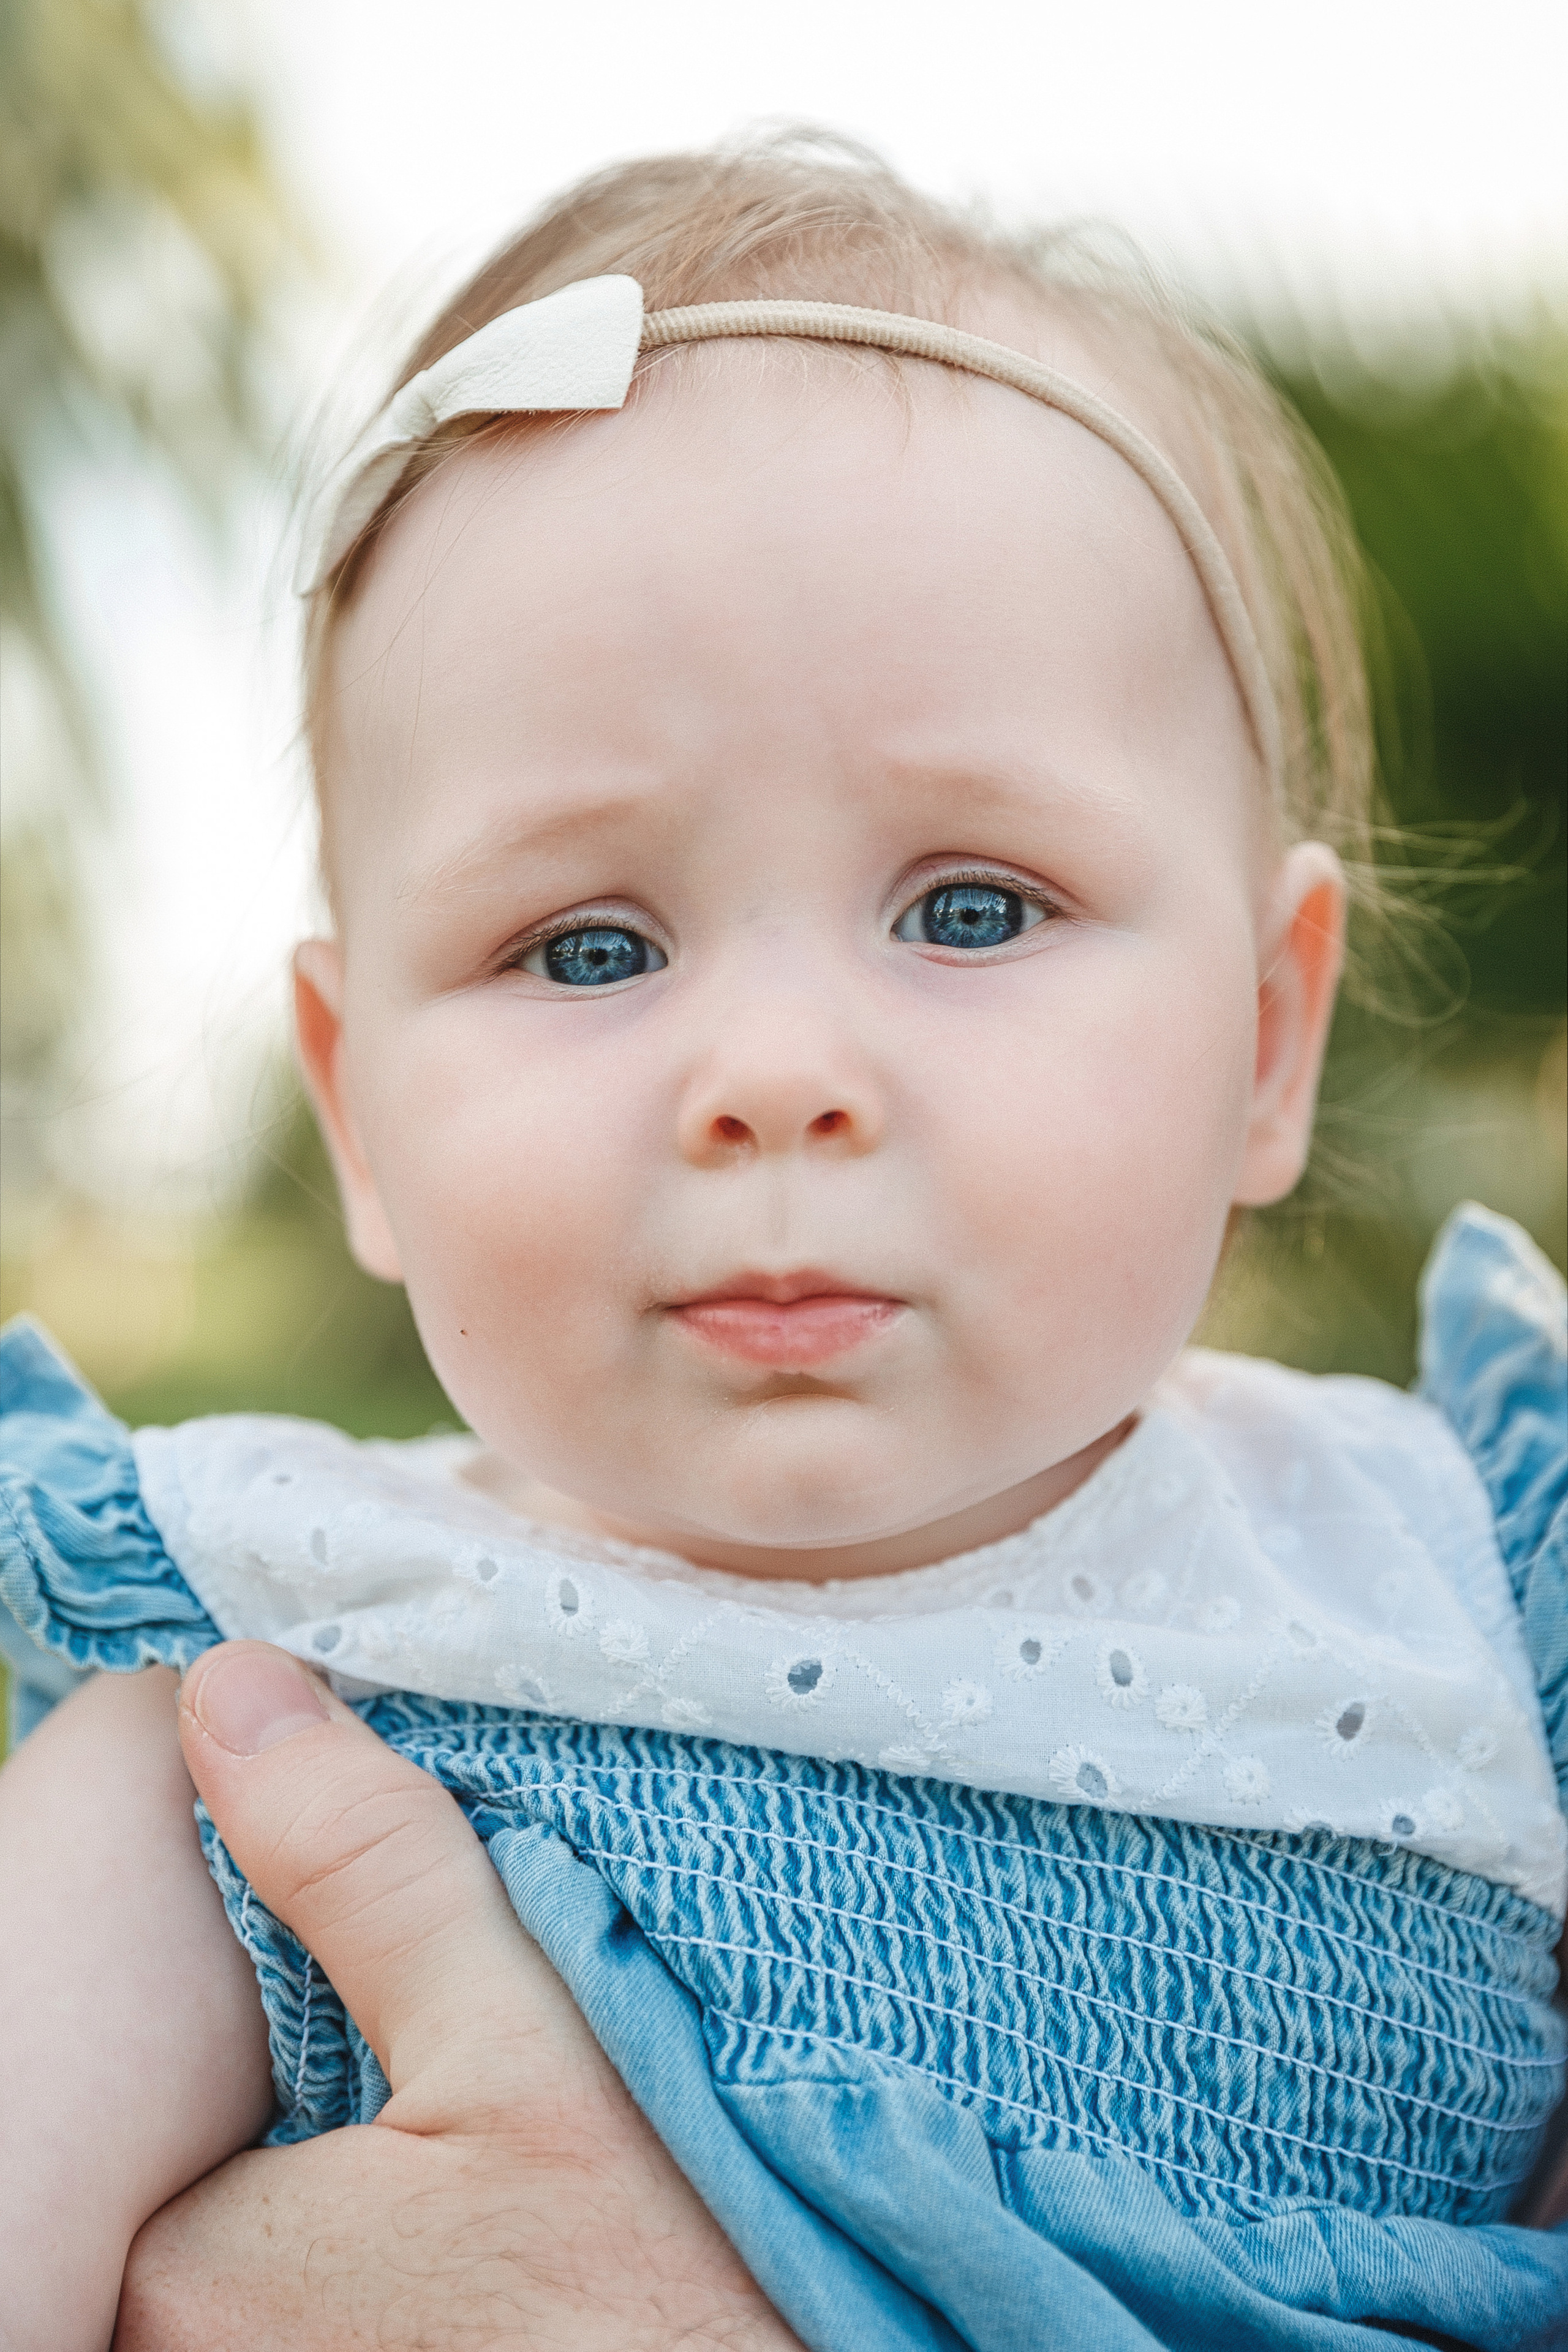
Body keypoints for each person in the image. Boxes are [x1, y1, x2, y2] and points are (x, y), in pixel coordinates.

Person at [2, 137, 1564, 2351]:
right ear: (360, 1111)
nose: (771, 1074)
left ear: (1265, 1038)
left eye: (969, 906)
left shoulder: (1472, 1591)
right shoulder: (278, 1694)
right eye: (588, 942)